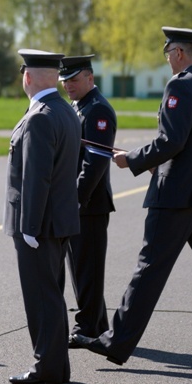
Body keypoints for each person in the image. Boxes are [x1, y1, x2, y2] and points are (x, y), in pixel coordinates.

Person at [71, 27, 192, 368]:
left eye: (167, 54)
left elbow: (171, 140)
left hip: (176, 194)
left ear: (178, 52)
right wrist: (167, 164)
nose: (167, 61)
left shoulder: (180, 85)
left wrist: (132, 159)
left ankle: (116, 342)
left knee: (148, 269)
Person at [3, 49, 81, 384]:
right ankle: (55, 365)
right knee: (51, 294)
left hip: (39, 224)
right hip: (59, 220)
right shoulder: (65, 111)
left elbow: (37, 176)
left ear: (28, 76)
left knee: (41, 297)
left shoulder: (40, 116)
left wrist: (29, 227)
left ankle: (47, 367)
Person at [58, 55, 117, 346]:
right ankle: (97, 323)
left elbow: (95, 164)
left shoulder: (98, 110)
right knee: (82, 269)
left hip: (89, 203)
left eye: (74, 79)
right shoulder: (79, 107)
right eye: (65, 80)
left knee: (87, 269)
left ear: (90, 78)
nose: (68, 85)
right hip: (79, 202)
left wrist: (76, 199)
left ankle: (87, 328)